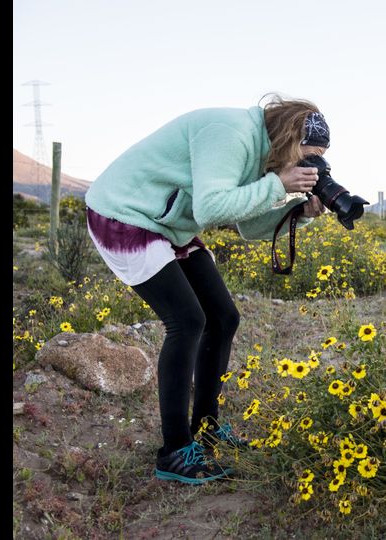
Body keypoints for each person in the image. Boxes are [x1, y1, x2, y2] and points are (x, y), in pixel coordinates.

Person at [84, 94, 330, 484]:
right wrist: (278, 183)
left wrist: (296, 208)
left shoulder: (262, 154)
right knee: (186, 321)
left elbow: (247, 225)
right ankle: (175, 452)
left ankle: (207, 430)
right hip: (124, 213)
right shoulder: (230, 133)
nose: (307, 167)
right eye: (306, 158)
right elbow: (212, 209)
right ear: (289, 138)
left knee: (223, 317)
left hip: (169, 224)